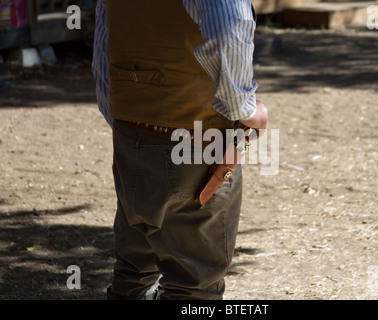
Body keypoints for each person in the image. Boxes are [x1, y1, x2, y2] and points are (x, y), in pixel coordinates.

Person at [92, 0, 268, 300]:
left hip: (132, 130)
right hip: (195, 137)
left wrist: (123, 117)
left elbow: (105, 41)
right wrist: (243, 105)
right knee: (194, 284)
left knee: (134, 270)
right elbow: (228, 22)